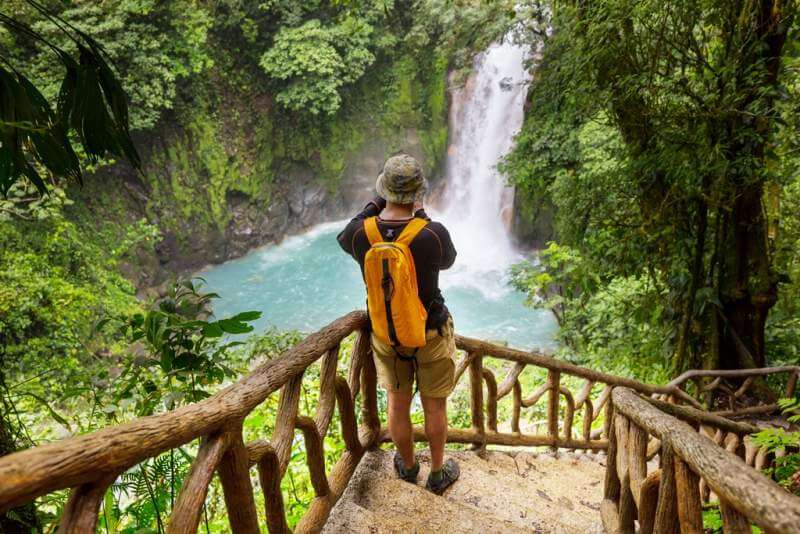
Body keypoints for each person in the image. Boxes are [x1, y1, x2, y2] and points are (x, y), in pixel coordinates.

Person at [337, 153, 460, 494]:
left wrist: (374, 206)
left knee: (397, 402)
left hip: (386, 335)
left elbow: (344, 235)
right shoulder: (431, 233)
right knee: (435, 405)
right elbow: (448, 261)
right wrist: (421, 215)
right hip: (430, 332)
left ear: (384, 191)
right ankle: (437, 472)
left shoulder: (362, 234)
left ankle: (406, 466)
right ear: (418, 192)